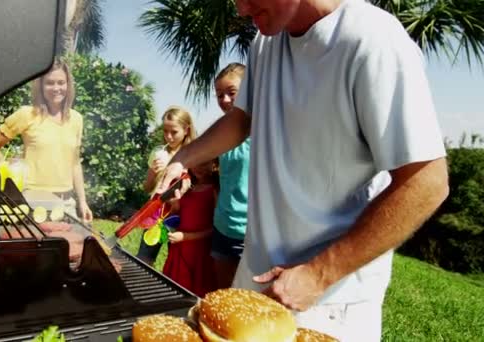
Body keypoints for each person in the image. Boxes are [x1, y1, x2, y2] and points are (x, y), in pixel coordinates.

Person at [157, 0, 449, 340]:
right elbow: (242, 119)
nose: (240, 9)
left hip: (328, 299)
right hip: (253, 286)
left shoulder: (372, 40)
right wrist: (184, 159)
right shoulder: (266, 41)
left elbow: (427, 181)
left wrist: (320, 274)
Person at [0, 59, 93, 222]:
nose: (56, 88)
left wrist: (83, 202)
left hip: (66, 204)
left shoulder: (76, 119)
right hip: (32, 203)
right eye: (50, 83)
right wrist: (6, 171)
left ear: (68, 85)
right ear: (41, 87)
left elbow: (74, 163)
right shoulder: (26, 114)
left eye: (61, 82)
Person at [137, 106, 197, 265]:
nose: (168, 137)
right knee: (144, 258)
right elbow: (147, 187)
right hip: (156, 213)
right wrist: (154, 171)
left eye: (174, 132)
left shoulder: (194, 154)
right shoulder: (158, 152)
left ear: (186, 129)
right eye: (165, 131)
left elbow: (198, 188)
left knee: (176, 261)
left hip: (179, 217)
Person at [211, 63, 250, 290]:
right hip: (222, 228)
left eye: (231, 93)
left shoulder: (263, 131)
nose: (224, 99)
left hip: (250, 234)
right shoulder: (220, 137)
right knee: (223, 295)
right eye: (219, 95)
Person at [162, 159, 218, 297]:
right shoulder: (186, 187)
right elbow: (176, 214)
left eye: (204, 162)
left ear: (214, 164)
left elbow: (216, 228)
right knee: (177, 288)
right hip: (180, 249)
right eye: (196, 162)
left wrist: (186, 237)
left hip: (201, 252)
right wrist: (175, 205)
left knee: (198, 292)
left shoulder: (215, 190)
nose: (199, 167)